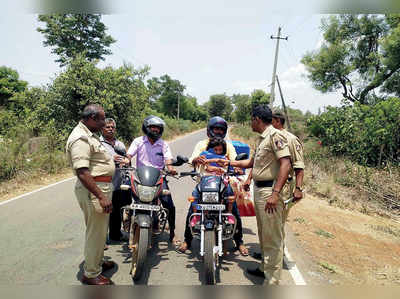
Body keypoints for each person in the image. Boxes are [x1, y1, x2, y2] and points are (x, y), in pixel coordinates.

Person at [216, 105, 291, 285]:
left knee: (272, 238)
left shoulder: (275, 136)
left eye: (251, 119)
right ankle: (264, 269)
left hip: (269, 192)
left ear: (257, 119)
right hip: (259, 189)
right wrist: (228, 162)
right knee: (264, 233)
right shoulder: (262, 139)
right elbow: (252, 162)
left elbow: (286, 164)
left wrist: (275, 193)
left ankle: (272, 282)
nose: (251, 122)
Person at [178, 116, 249, 256]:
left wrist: (237, 168)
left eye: (221, 129)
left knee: (233, 208)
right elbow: (192, 159)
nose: (218, 131)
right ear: (210, 130)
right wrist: (196, 160)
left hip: (222, 183)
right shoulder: (201, 145)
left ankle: (239, 241)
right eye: (216, 128)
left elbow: (235, 161)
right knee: (193, 208)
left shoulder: (227, 145)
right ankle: (187, 240)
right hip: (203, 182)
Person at [66, 104, 116, 285]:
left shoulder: (90, 135)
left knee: (100, 230)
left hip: (100, 187)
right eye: (102, 119)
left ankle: (97, 261)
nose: (104, 123)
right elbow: (82, 171)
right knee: (95, 232)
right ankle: (91, 273)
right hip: (94, 189)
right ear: (92, 118)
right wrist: (101, 196)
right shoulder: (80, 138)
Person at [126, 115, 178, 244]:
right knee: (123, 192)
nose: (155, 130)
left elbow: (168, 159)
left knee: (169, 204)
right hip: (139, 176)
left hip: (158, 177)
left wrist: (170, 168)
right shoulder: (138, 141)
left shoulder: (163, 144)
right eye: (152, 127)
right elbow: (129, 154)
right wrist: (126, 160)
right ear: (146, 127)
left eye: (158, 128)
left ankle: (172, 233)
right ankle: (127, 214)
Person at [100, 118, 131, 243]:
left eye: (112, 127)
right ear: (102, 128)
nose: (110, 129)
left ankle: (115, 234)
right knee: (103, 212)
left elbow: (127, 159)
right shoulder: (98, 143)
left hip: (119, 182)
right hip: (104, 182)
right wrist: (111, 159)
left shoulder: (120, 144)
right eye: (107, 127)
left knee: (117, 210)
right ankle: (101, 239)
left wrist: (126, 161)